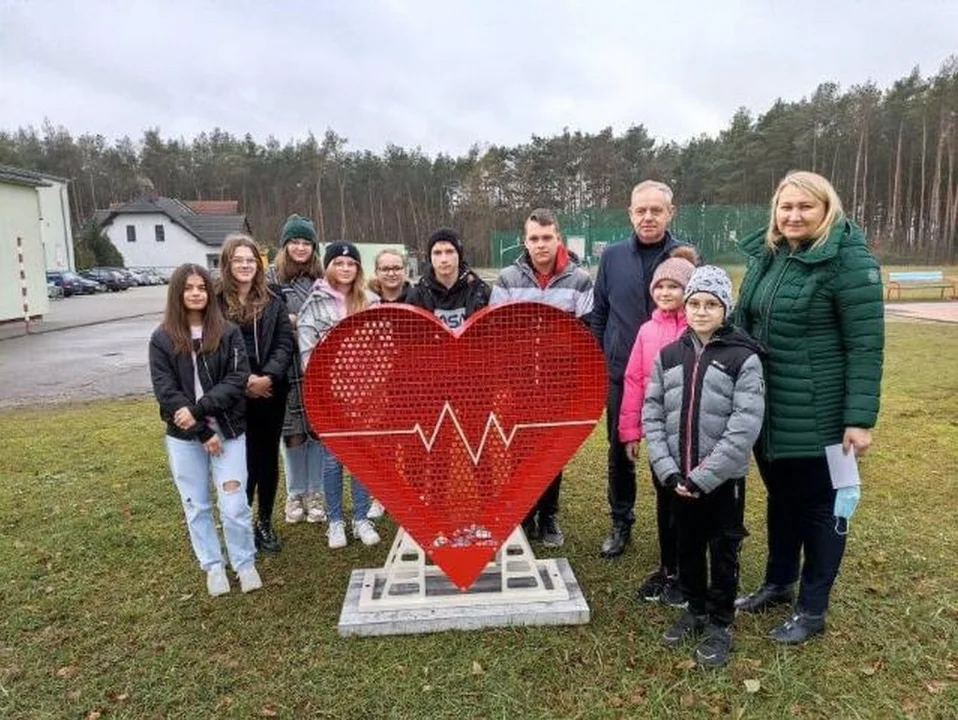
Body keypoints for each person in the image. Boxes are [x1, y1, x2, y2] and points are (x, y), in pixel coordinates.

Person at [733, 171, 884, 643]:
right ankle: (779, 582)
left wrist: (858, 419)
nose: (793, 216)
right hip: (769, 411)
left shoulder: (848, 263)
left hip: (822, 416)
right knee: (782, 500)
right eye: (786, 207)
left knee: (823, 509)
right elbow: (743, 319)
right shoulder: (768, 256)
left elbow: (866, 345)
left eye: (805, 207)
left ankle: (812, 608)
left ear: (827, 209)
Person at [643, 266, 765, 668]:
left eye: (710, 304)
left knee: (723, 549)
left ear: (725, 308)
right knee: (687, 546)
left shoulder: (742, 358)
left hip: (721, 482)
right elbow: (653, 414)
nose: (700, 311)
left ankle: (720, 621)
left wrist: (705, 476)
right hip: (678, 480)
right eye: (694, 303)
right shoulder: (669, 355)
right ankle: (694, 608)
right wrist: (669, 470)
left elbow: (744, 425)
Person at [591, 180, 698, 558]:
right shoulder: (613, 256)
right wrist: (604, 360)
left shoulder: (685, 257)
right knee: (622, 450)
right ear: (630, 213)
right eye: (641, 210)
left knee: (675, 452)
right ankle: (621, 522)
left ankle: (677, 526)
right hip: (624, 375)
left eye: (656, 210)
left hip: (678, 378)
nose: (648, 217)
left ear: (670, 213)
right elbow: (600, 312)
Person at [148, 263, 262, 596]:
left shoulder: (227, 333)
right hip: (185, 438)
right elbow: (166, 390)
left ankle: (244, 562)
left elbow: (236, 380)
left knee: (233, 503)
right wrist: (200, 431)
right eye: (188, 288)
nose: (196, 293)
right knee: (196, 504)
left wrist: (200, 412)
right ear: (177, 293)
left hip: (228, 432)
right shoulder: (162, 339)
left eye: (201, 288)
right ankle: (213, 565)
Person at [490, 208, 594, 547]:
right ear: (525, 241)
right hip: (518, 386)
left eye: (547, 238)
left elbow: (587, 336)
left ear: (558, 238)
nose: (540, 245)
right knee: (518, 451)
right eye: (534, 238)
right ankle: (524, 513)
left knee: (551, 452)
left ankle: (548, 515)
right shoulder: (507, 279)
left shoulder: (580, 281)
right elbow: (495, 334)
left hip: (558, 385)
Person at [618, 249, 697, 605]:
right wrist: (631, 431)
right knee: (665, 501)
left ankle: (689, 570)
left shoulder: (697, 327)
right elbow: (634, 380)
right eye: (660, 286)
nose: (666, 293)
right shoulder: (647, 331)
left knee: (689, 504)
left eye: (674, 286)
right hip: (659, 435)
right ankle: (667, 568)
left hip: (693, 436)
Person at [298, 240, 382, 549]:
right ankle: (335, 521)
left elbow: (382, 350)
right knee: (333, 460)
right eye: (339, 263)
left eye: (351, 264)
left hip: (366, 397)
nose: (345, 269)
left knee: (361, 458)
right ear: (329, 266)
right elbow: (309, 355)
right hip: (330, 398)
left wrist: (369, 385)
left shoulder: (370, 302)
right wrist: (336, 384)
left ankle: (361, 517)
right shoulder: (314, 304)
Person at [218, 234, 294, 553]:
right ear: (227, 264)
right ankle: (241, 520)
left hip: (270, 391)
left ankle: (264, 521)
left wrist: (268, 377)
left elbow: (284, 343)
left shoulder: (273, 299)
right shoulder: (216, 301)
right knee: (241, 460)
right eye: (239, 260)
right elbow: (214, 346)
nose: (246, 265)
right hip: (234, 394)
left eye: (251, 260)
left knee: (267, 459)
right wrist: (245, 380)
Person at [269, 214, 327, 526]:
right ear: (285, 245)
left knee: (317, 431)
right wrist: (294, 324)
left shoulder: (322, 279)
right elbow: (270, 320)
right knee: (292, 433)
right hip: (285, 366)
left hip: (316, 366)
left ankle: (316, 492)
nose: (301, 247)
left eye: (306, 242)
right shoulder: (272, 279)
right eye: (295, 241)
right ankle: (296, 492)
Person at [406, 227, 490, 331]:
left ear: (459, 255)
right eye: (437, 253)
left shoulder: (480, 291)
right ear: (430, 257)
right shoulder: (417, 295)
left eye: (449, 251)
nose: (444, 259)